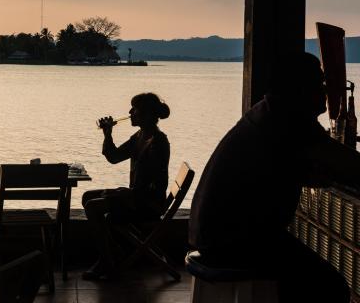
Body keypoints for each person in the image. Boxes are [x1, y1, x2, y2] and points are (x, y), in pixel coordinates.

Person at [189, 52, 360, 302]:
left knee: (305, 280)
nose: (324, 90)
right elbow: (350, 165)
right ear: (298, 88)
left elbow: (266, 166)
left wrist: (302, 174)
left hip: (211, 234)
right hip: (235, 241)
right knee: (331, 287)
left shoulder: (266, 112)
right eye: (318, 83)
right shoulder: (289, 117)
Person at [82, 92, 171, 280]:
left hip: (147, 204)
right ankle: (113, 252)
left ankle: (107, 260)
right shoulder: (140, 136)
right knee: (87, 196)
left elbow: (156, 186)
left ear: (146, 114)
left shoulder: (158, 142)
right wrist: (108, 134)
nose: (130, 112)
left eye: (135, 109)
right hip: (136, 197)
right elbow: (114, 157)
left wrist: (125, 194)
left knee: (92, 206)